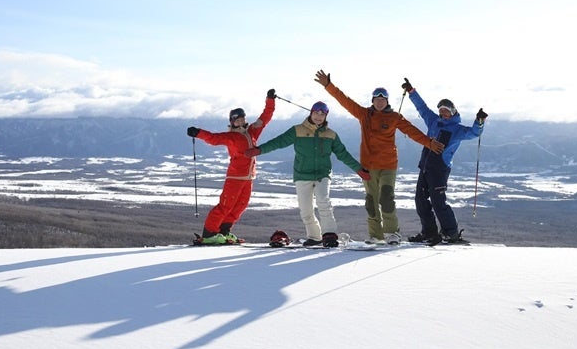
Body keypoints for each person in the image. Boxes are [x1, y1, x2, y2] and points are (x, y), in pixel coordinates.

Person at [313, 70, 442, 244]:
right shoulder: (364, 114)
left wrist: (429, 143)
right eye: (377, 99)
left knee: (386, 198)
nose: (380, 102)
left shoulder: (394, 117)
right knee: (371, 201)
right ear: (372, 101)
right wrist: (328, 85)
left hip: (388, 165)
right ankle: (376, 235)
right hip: (368, 166)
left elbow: (412, 132)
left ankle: (392, 233)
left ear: (387, 101)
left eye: (383, 100)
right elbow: (345, 100)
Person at [249, 101, 367, 247]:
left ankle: (329, 235)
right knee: (305, 209)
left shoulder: (330, 135)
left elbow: (343, 154)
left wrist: (358, 169)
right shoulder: (297, 130)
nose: (319, 116)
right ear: (311, 113)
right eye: (316, 113)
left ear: (325, 116)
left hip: (322, 174)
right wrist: (259, 150)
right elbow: (278, 142)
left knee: (323, 201)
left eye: (322, 114)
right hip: (302, 174)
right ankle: (315, 236)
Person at [402, 78, 486, 245]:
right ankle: (429, 232)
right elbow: (422, 108)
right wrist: (412, 92)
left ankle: (451, 233)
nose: (443, 113)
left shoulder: (457, 129)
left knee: (438, 201)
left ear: (453, 112)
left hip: (440, 169)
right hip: (425, 166)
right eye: (441, 111)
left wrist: (479, 122)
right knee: (420, 200)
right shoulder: (434, 121)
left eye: (446, 111)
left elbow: (474, 133)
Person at [186, 90, 276, 244]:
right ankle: (209, 234)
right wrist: (198, 133)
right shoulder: (231, 137)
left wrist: (270, 100)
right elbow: (213, 139)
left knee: (240, 206)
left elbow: (265, 117)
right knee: (226, 205)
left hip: (248, 177)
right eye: (236, 120)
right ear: (232, 122)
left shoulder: (252, 131)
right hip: (235, 177)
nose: (240, 122)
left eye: (242, 119)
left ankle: (224, 231)